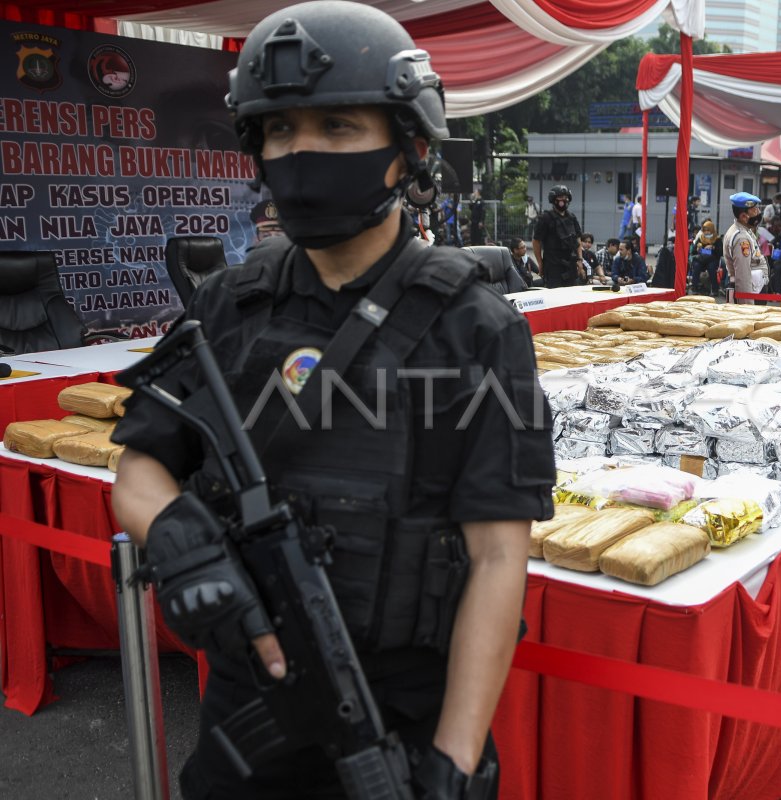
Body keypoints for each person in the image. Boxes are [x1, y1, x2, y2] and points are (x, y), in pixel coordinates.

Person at [110, 4, 555, 799]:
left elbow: (496, 558)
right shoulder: (227, 307)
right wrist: (180, 537)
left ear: (408, 147)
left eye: (339, 127)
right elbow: (141, 463)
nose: (303, 152)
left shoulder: (478, 331)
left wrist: (454, 761)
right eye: (279, 131)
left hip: (404, 720)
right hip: (249, 708)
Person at [532, 185, 583, 288]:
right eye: (560, 197)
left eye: (566, 197)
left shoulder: (572, 217)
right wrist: (540, 263)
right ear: (553, 199)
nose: (564, 200)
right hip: (553, 266)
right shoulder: (545, 218)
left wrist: (580, 260)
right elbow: (536, 241)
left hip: (571, 264)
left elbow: (577, 239)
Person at [722, 192, 769, 303]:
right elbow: (743, 276)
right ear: (744, 217)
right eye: (755, 210)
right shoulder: (741, 238)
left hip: (755, 290)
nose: (759, 212)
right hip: (751, 295)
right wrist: (747, 307)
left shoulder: (744, 230)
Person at [690, 220, 721, 296]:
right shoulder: (701, 238)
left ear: (712, 230)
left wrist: (713, 247)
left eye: (708, 230)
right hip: (701, 260)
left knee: (711, 267)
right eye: (705, 230)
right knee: (696, 266)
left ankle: (714, 290)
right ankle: (694, 288)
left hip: (712, 260)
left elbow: (719, 252)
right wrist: (703, 250)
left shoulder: (717, 239)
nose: (706, 232)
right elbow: (693, 251)